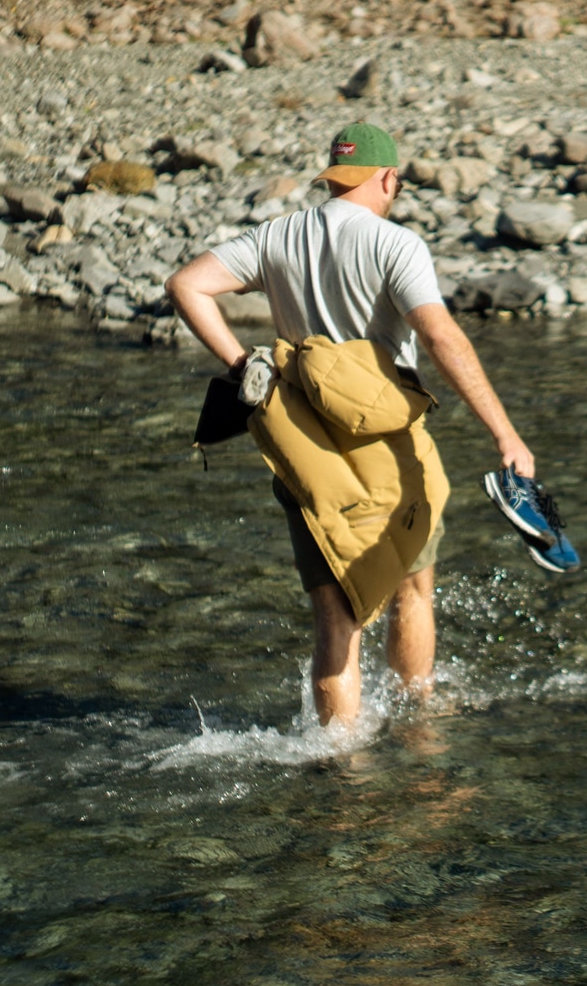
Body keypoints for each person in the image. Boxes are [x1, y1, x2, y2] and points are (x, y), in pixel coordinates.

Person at [166, 122, 535, 730]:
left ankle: (340, 767)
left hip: (307, 450)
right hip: (388, 447)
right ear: (388, 177)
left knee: (336, 618)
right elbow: (442, 338)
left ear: (333, 178)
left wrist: (241, 362)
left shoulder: (276, 236)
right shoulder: (396, 244)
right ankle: (419, 730)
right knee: (411, 590)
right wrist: (505, 435)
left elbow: (187, 285)